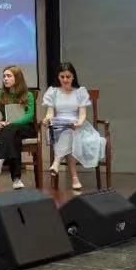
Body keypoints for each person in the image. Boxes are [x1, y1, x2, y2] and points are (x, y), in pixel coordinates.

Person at [42, 62, 105, 191]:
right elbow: (50, 113)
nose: (65, 79)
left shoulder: (80, 92)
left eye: (68, 76)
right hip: (58, 127)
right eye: (62, 77)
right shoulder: (53, 92)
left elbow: (82, 115)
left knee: (70, 132)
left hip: (77, 125)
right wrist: (46, 119)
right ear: (58, 77)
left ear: (73, 77)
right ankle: (74, 178)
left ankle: (57, 162)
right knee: (67, 133)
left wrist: (79, 123)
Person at [0, 65, 36, 190]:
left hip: (25, 128)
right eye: (4, 76)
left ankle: (0, 161)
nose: (5, 79)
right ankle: (16, 179)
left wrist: (12, 123)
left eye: (9, 76)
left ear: (17, 78)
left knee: (12, 130)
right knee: (13, 137)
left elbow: (29, 116)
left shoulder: (28, 95)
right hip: (6, 129)